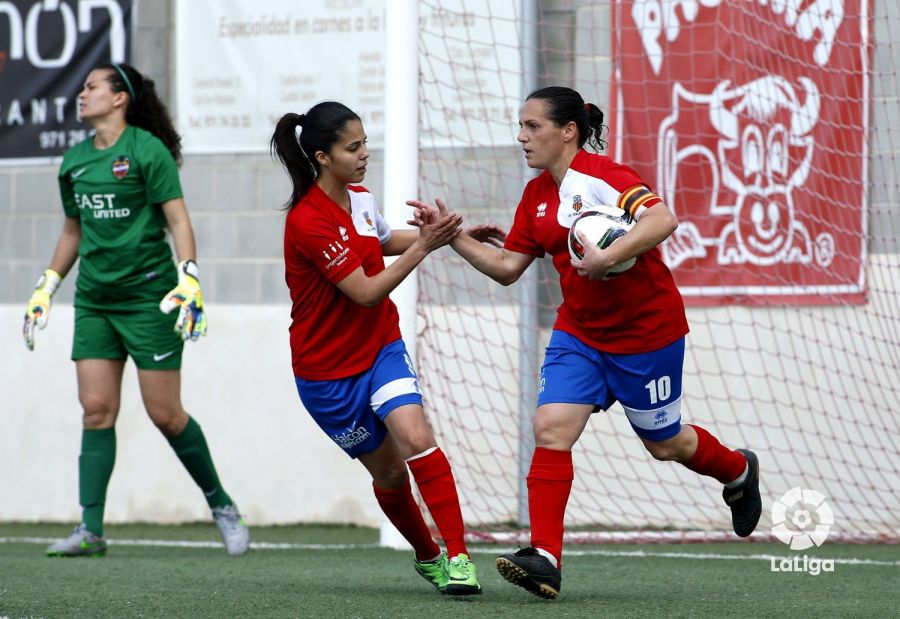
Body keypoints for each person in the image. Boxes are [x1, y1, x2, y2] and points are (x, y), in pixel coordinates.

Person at [408, 86, 762, 600]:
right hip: (579, 334)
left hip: (647, 335)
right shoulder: (536, 195)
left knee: (664, 444)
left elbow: (662, 220)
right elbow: (508, 268)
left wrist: (605, 256)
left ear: (568, 131)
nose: (522, 136)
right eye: (521, 126)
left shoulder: (606, 177)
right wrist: (451, 237)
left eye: (533, 127)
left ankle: (737, 469)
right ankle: (545, 557)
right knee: (550, 427)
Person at [23, 63, 249, 558]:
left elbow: (178, 220)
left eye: (91, 87)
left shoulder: (147, 151)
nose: (82, 94)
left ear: (120, 98)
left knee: (165, 415)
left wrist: (189, 276)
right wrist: (46, 286)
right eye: (82, 88)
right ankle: (91, 530)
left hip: (150, 299)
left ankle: (222, 504)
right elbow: (72, 233)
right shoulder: (75, 161)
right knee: (96, 411)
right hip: (95, 303)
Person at [270, 101, 482, 596]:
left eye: (366, 142)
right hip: (326, 374)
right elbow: (365, 289)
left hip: (380, 346)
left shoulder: (360, 198)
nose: (366, 154)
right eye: (354, 146)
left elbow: (384, 241)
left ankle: (460, 558)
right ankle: (427, 554)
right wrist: (426, 246)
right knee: (388, 472)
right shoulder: (307, 221)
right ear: (322, 157)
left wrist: (452, 236)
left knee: (416, 435)